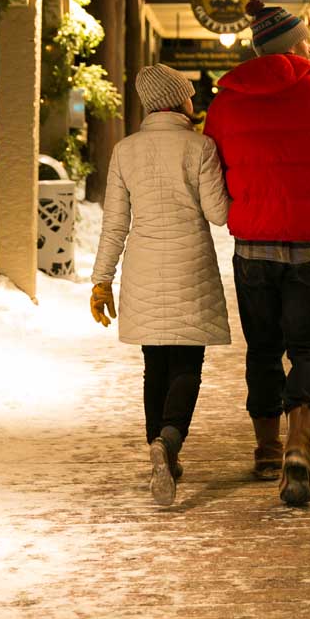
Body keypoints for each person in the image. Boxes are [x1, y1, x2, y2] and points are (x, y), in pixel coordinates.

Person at [204, 0, 310, 507]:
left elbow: (214, 172)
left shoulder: (225, 105)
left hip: (253, 248)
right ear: (295, 46)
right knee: (309, 349)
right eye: (307, 41)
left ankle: (267, 449)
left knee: (262, 349)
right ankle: (300, 442)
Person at [90, 64, 231, 506]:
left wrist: (101, 281)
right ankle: (168, 441)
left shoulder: (125, 151)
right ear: (177, 100)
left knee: (155, 366)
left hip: (144, 267)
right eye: (188, 93)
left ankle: (160, 450)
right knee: (187, 364)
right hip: (191, 265)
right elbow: (219, 214)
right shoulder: (201, 146)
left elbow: (115, 224)